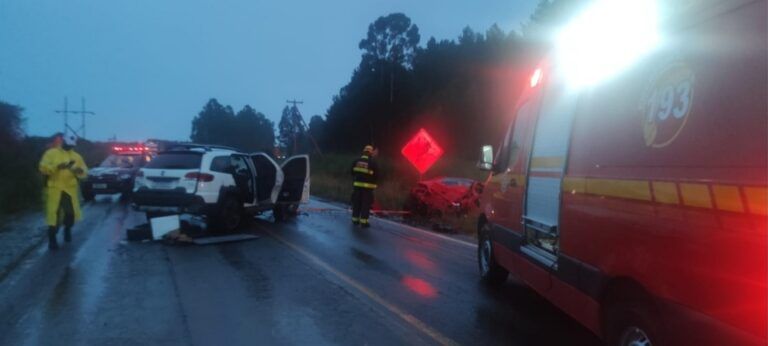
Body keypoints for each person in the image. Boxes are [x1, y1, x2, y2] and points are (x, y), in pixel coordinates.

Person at [38, 133, 88, 249]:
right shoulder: (51, 153)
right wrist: (56, 167)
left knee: (70, 213)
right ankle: (52, 239)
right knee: (53, 215)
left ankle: (67, 229)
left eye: (71, 146)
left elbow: (84, 171)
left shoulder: (77, 156)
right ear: (63, 142)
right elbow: (42, 168)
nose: (69, 147)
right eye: (67, 144)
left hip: (69, 189)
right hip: (54, 189)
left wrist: (79, 171)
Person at [350, 145, 378, 227]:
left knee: (356, 203)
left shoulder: (356, 161)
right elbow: (377, 175)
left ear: (364, 152)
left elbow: (352, 172)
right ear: (371, 153)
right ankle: (364, 222)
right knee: (365, 204)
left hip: (357, 187)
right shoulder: (372, 163)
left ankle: (355, 220)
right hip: (368, 188)